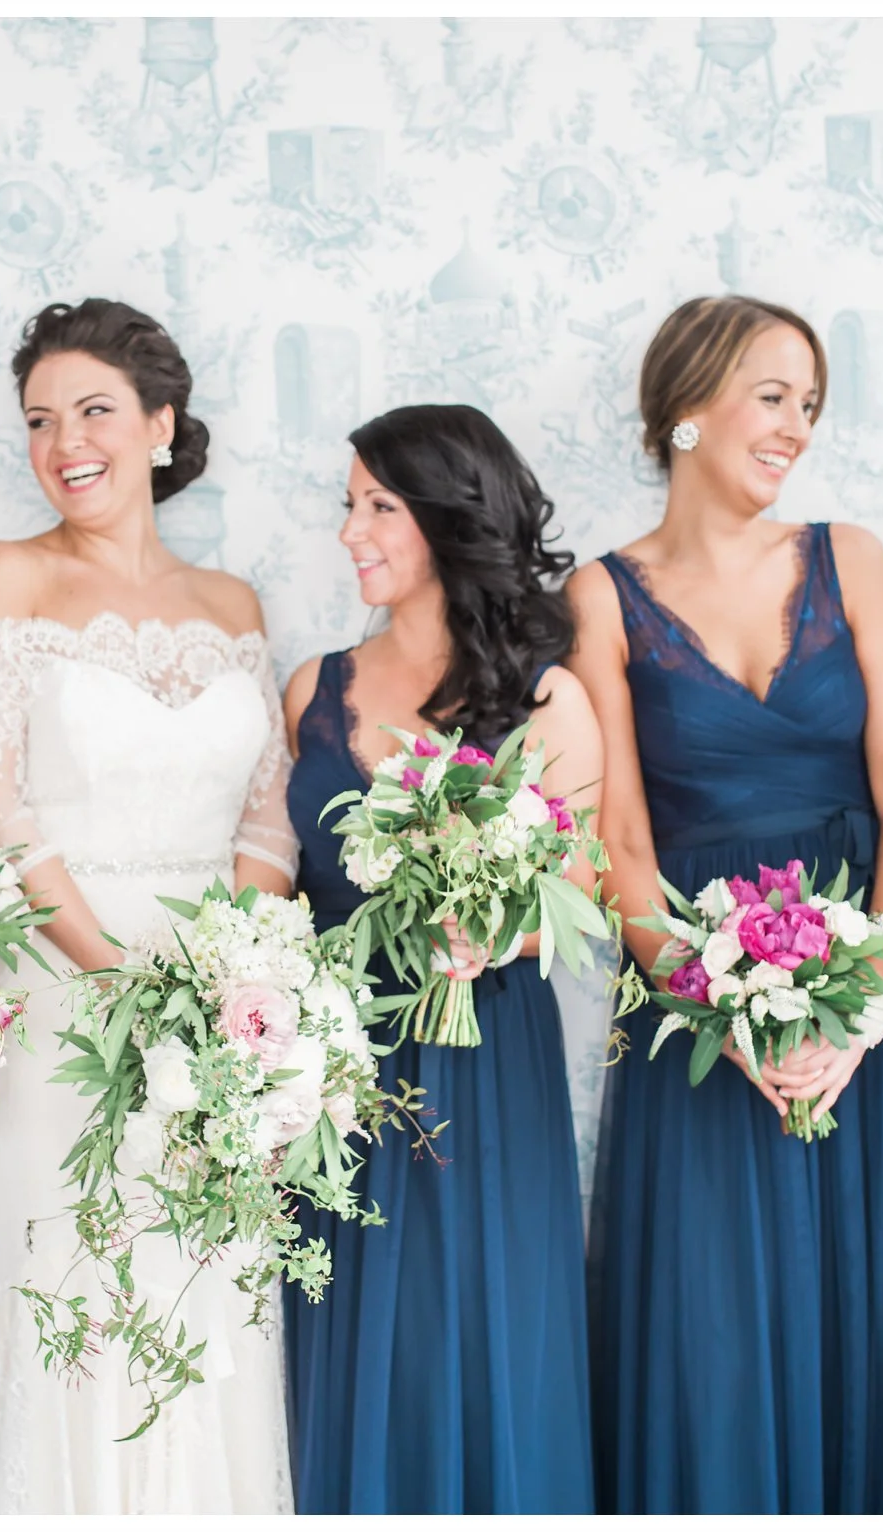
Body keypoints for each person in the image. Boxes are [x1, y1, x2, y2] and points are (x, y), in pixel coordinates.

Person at [566, 294, 883, 1513]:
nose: (797, 427)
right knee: (714, 1329)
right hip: (693, 1007)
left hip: (873, 989)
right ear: (686, 405)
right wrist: (716, 1008)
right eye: (772, 396)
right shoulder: (600, 595)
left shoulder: (852, 557)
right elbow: (618, 839)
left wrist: (867, 995)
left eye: (810, 404)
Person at [0, 298, 298, 1513]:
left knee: (211, 1278)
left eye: (93, 410)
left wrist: (235, 987)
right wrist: (110, 971)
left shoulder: (233, 603)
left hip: (215, 1003)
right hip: (56, 996)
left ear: (160, 424)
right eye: (39, 420)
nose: (63, 443)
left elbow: (267, 819)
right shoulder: (7, 575)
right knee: (78, 1289)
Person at [281, 403, 599, 1513]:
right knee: (351, 1341)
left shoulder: (546, 697)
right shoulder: (312, 687)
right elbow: (271, 879)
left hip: (480, 1055)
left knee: (477, 1331)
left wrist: (496, 931)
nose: (350, 532)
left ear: (449, 517)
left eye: (379, 506)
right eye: (348, 505)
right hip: (333, 1058)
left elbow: (583, 888)